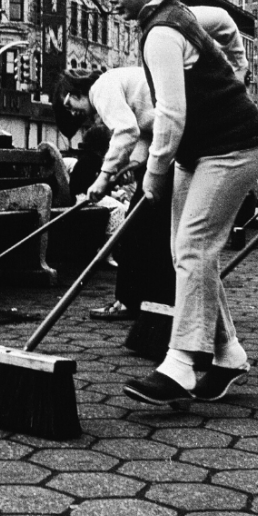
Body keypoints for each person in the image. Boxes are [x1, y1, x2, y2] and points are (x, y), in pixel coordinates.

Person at [101, 0, 258, 405]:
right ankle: (228, 353)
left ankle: (181, 364)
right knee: (188, 251)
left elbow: (170, 114)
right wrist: (236, 67)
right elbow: (223, 25)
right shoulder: (176, 14)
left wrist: (152, 173)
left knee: (194, 247)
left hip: (233, 147)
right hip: (201, 151)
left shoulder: (162, 31)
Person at [57, 67, 172, 326]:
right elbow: (144, 132)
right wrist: (131, 164)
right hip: (174, 141)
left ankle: (129, 301)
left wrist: (103, 176)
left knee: (135, 225)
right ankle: (154, 301)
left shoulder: (100, 88)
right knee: (150, 224)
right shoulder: (121, 83)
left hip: (176, 144)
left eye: (70, 102)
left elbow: (125, 131)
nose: (71, 111)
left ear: (80, 91)